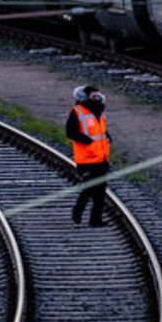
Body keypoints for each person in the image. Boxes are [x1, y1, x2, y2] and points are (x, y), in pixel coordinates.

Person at [66, 84, 111, 226]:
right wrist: (88, 141)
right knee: (90, 187)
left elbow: (100, 131)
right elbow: (70, 132)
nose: (97, 97)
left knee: (101, 190)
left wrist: (107, 137)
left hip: (101, 157)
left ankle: (95, 219)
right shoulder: (77, 111)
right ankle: (77, 212)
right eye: (93, 95)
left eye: (98, 95)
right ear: (85, 96)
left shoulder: (100, 112)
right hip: (86, 158)